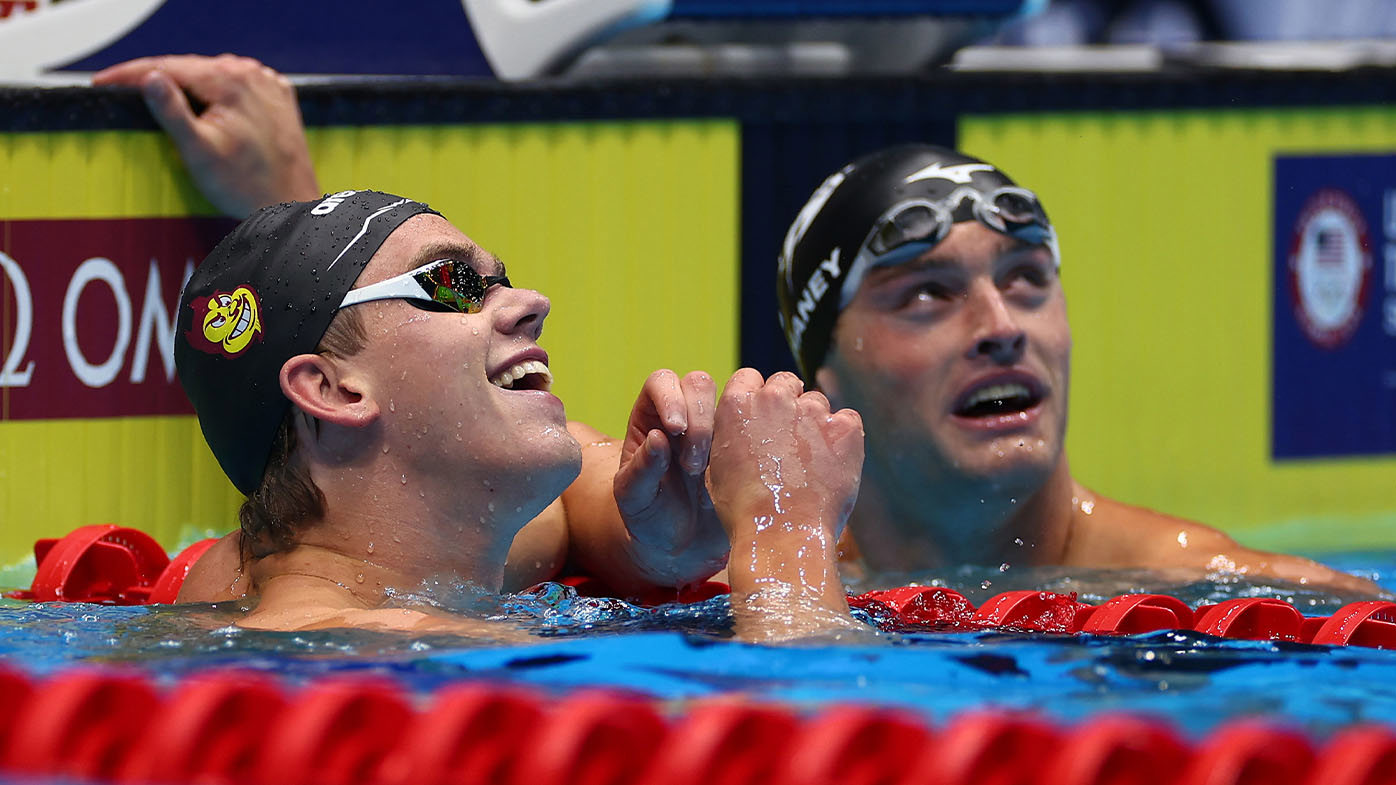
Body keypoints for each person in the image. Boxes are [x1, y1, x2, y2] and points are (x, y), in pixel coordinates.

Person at [175, 189, 862, 639]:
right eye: (453, 285)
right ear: (333, 390)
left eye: (501, 280)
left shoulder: (286, 570)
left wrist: (650, 537)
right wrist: (784, 532)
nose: (531, 300)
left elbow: (562, 506)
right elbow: (828, 740)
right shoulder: (388, 654)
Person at [777, 143, 1375, 591]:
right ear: (822, 371)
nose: (1002, 327)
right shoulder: (758, 581)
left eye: (1027, 279)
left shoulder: (1228, 597)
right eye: (927, 294)